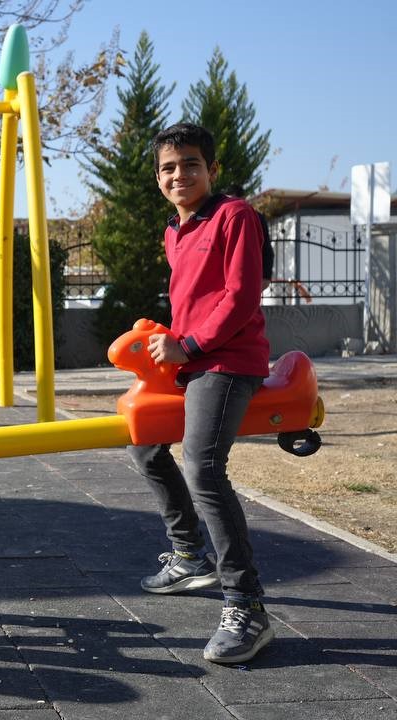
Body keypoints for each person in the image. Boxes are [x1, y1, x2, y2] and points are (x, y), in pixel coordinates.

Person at [131, 123, 273, 665]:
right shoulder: (174, 231)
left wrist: (189, 344)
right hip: (190, 359)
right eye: (168, 167)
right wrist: (168, 339)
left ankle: (247, 606)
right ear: (158, 178)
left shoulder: (234, 216)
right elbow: (193, 298)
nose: (179, 174)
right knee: (143, 444)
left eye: (190, 163)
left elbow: (240, 296)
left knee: (203, 467)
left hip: (229, 361)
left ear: (212, 170)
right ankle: (190, 554)